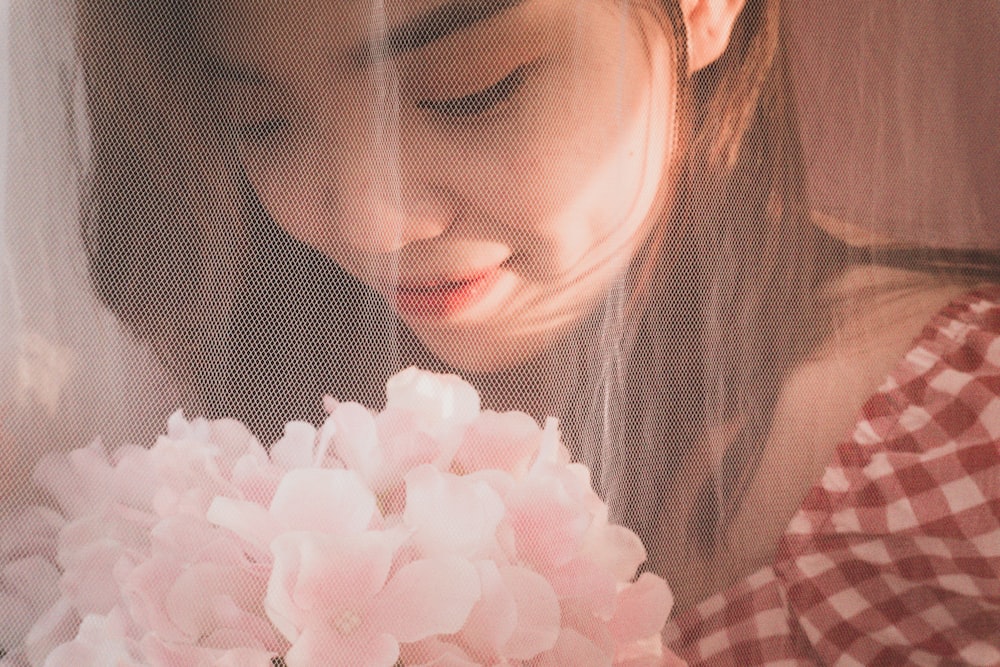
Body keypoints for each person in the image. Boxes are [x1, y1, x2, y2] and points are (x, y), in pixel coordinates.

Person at [5, 0, 998, 663]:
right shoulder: (233, 429)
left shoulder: (961, 435)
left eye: (469, 89)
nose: (367, 226)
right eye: (260, 122)